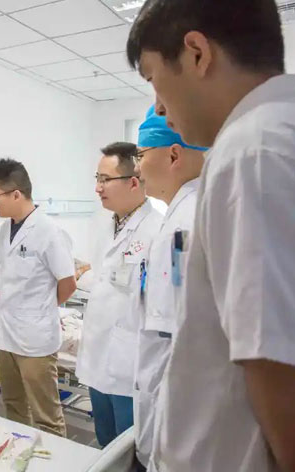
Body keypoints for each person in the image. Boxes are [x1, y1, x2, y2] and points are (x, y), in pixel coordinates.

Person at [126, 0, 295, 470]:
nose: (159, 108)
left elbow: (294, 392)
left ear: (197, 53)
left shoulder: (255, 154)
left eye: (154, 80)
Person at [132, 106, 206, 470]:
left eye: (141, 155)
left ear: (173, 155)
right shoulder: (183, 215)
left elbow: (176, 338)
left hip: (176, 420)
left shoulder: (183, 229)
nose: (137, 168)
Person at [75, 142, 162, 448]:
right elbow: (104, 279)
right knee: (105, 441)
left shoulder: (158, 231)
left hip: (130, 364)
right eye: (97, 179)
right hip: (97, 355)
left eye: (105, 179)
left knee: (129, 450)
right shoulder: (104, 224)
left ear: (134, 182)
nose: (97, 188)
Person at [0, 158, 76, 437]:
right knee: (13, 405)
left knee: (46, 415)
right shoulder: (5, 230)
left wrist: (40, 309)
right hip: (7, 335)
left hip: (35, 339)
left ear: (16, 194)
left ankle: (56, 457)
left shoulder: (49, 231)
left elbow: (68, 283)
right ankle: (21, 452)